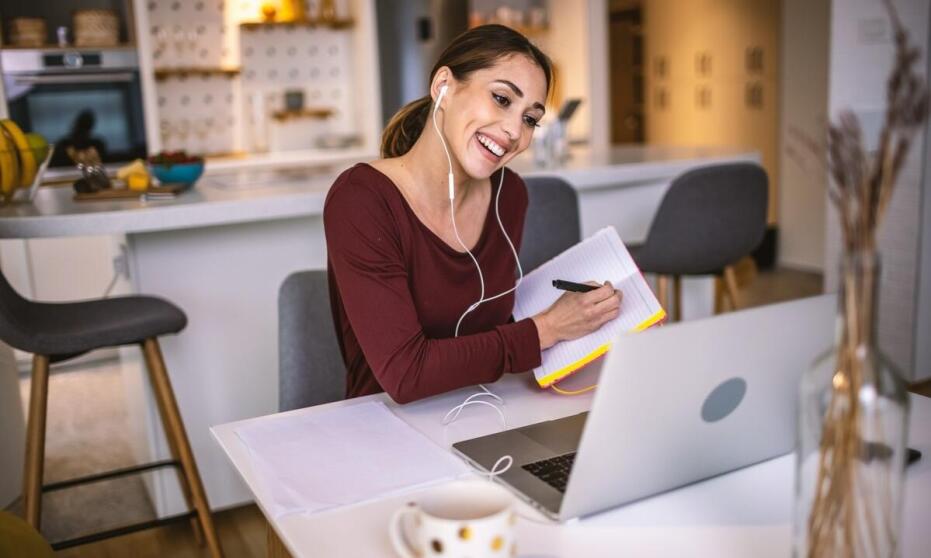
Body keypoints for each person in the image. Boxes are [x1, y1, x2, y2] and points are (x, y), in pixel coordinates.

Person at [324, 25, 621, 404]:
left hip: (486, 409)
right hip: (386, 430)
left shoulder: (509, 194)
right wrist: (546, 329)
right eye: (501, 98)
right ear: (443, 87)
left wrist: (585, 314)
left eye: (530, 118)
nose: (515, 131)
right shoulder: (362, 200)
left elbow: (482, 324)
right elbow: (405, 373)